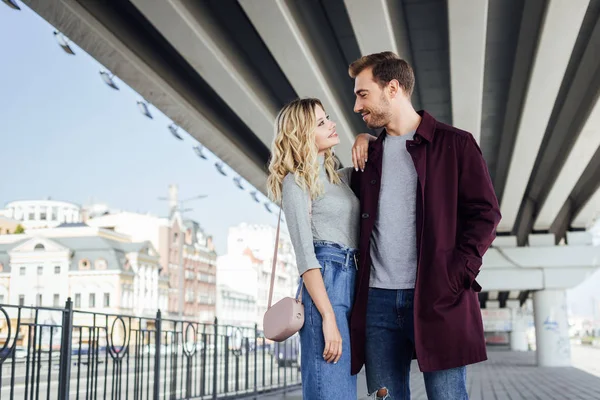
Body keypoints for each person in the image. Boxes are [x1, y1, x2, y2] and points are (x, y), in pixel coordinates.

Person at [348, 52, 502, 399]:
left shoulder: (456, 144)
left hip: (438, 296)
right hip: (377, 304)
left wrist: (457, 273)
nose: (357, 107)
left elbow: (486, 213)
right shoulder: (369, 157)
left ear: (392, 88)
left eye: (362, 94)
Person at [266, 98, 360, 399]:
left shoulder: (339, 177)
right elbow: (306, 258)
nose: (332, 124)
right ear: (303, 134)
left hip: (351, 280)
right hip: (325, 287)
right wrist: (328, 318)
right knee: (329, 390)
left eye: (327, 118)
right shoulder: (296, 183)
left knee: (343, 391)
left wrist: (365, 138)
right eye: (321, 123)